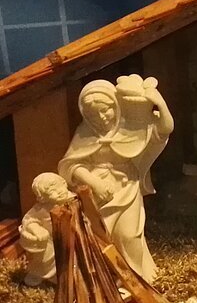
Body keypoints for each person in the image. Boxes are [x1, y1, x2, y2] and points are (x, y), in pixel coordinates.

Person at [58, 75, 173, 282]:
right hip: (97, 193)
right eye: (94, 115)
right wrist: (94, 182)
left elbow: (163, 130)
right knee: (100, 236)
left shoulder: (131, 128)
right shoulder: (84, 133)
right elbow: (70, 165)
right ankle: (108, 278)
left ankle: (135, 279)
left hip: (126, 186)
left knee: (128, 234)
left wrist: (160, 104)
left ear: (115, 105)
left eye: (106, 110)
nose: (102, 118)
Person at [19, 173, 75, 286]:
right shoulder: (42, 209)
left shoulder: (74, 201)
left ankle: (69, 278)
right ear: (43, 198)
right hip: (51, 240)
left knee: (73, 260)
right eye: (52, 191)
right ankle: (38, 274)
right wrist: (37, 229)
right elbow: (29, 220)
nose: (59, 192)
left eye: (59, 186)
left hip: (73, 238)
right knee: (44, 257)